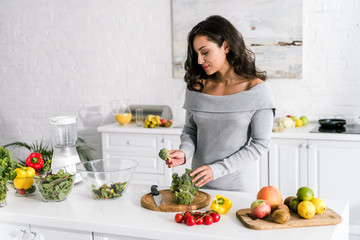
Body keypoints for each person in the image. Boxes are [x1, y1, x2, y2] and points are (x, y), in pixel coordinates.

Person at [166, 15, 276, 192]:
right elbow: (190, 130)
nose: (199, 61)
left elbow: (260, 144)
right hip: (197, 187)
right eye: (196, 54)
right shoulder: (197, 87)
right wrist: (184, 153)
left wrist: (216, 170)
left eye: (205, 52)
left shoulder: (257, 91)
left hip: (238, 188)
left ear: (225, 46)